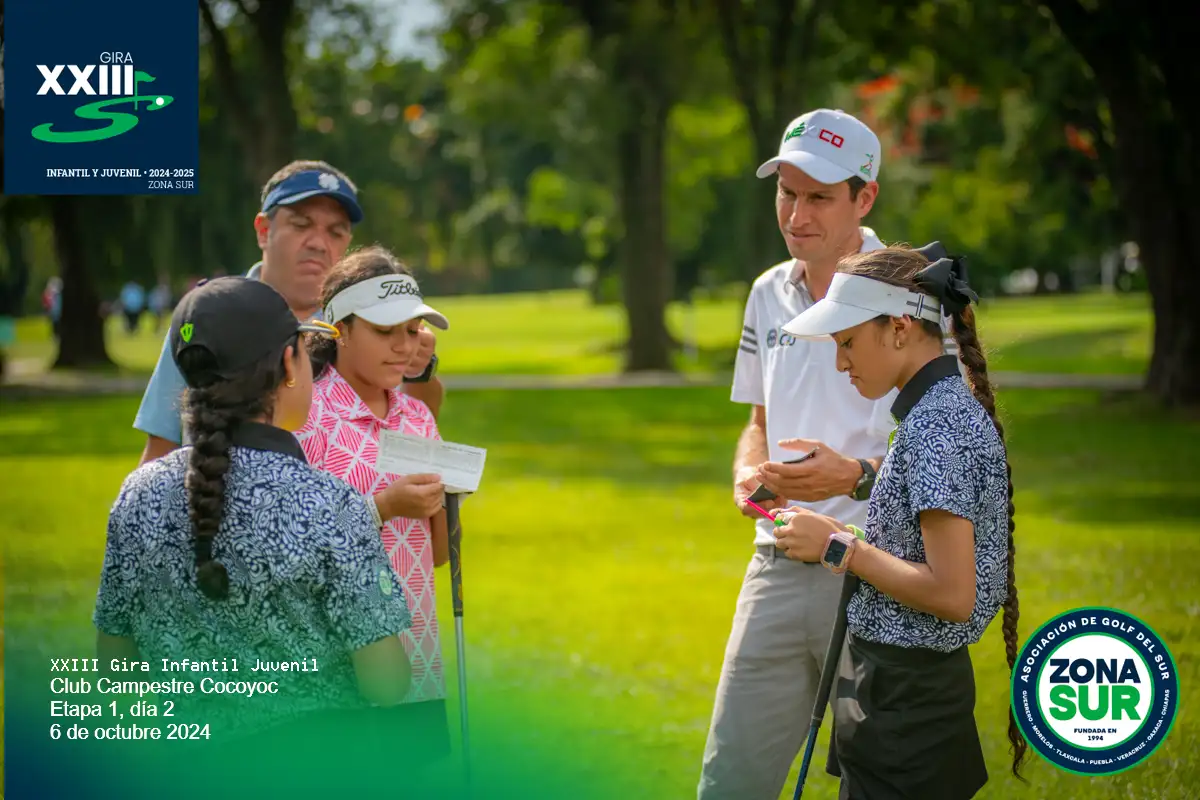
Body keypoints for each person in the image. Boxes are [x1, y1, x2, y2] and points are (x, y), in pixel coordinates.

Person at [697, 109, 958, 800]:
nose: (796, 214)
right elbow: (758, 420)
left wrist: (857, 476)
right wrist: (746, 470)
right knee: (729, 781)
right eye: (787, 192)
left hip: (879, 571)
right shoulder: (766, 293)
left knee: (882, 785)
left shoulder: (916, 295)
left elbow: (949, 444)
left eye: (819, 196)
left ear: (864, 198)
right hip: (776, 562)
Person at [93, 276, 415, 751]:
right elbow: (386, 683)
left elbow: (114, 672)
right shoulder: (329, 503)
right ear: (289, 364)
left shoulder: (136, 496)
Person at [771, 245, 1026, 798]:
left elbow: (953, 594)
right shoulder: (935, 413)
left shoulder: (935, 428)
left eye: (847, 343)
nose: (841, 363)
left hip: (908, 704)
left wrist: (838, 547)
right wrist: (849, 537)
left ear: (900, 328)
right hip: (903, 690)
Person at [131, 160, 445, 467]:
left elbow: (413, 429)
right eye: (300, 225)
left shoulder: (364, 321)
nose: (319, 243)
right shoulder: (208, 316)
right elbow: (160, 447)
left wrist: (418, 369)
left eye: (336, 232)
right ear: (263, 230)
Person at [295, 246, 452, 746]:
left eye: (412, 330)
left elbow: (438, 555)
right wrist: (385, 507)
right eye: (385, 331)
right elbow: (292, 547)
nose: (404, 347)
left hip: (416, 654)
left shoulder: (417, 417)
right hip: (335, 670)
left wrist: (450, 498)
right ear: (339, 330)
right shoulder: (306, 416)